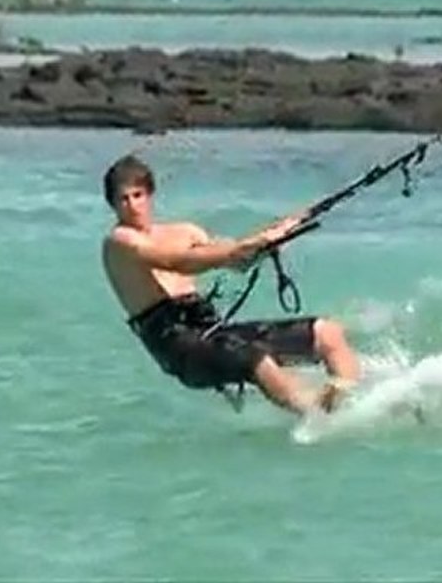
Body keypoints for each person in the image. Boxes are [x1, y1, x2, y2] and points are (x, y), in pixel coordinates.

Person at [100, 154, 362, 416]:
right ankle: (318, 416)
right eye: (123, 199)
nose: (132, 205)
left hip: (211, 328)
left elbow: (231, 251)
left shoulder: (185, 232)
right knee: (255, 358)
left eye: (138, 195)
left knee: (328, 332)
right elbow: (176, 261)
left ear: (150, 195)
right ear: (112, 204)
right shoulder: (119, 242)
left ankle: (350, 400)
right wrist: (234, 254)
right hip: (177, 345)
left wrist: (277, 233)